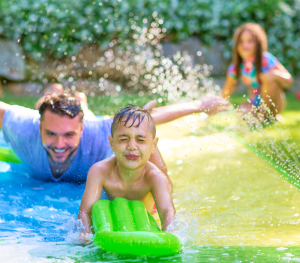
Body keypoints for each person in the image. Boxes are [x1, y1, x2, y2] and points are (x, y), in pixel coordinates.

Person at [0, 89, 229, 183]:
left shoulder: (98, 131)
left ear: (82, 129)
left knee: (90, 114)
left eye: (69, 134)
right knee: (52, 100)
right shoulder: (23, 127)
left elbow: (148, 117)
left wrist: (199, 105)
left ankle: (81, 100)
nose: (59, 144)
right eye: (51, 134)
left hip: (91, 123)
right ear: (39, 128)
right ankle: (56, 90)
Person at [78, 106, 175, 244]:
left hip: (149, 208)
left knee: (167, 182)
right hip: (116, 204)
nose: (131, 146)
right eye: (123, 139)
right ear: (112, 143)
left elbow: (167, 212)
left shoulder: (155, 178)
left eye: (140, 140)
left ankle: (144, 118)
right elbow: (85, 212)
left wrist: (170, 237)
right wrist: (85, 234)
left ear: (154, 145)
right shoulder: (99, 171)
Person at [222, 23, 294, 120]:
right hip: (255, 103)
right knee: (241, 110)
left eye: (250, 41)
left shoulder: (266, 59)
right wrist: (209, 112)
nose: (245, 45)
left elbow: (289, 81)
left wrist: (272, 75)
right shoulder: (236, 67)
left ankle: (267, 116)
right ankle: (263, 117)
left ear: (258, 43)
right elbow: (226, 92)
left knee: (267, 78)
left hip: (275, 103)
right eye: (241, 41)